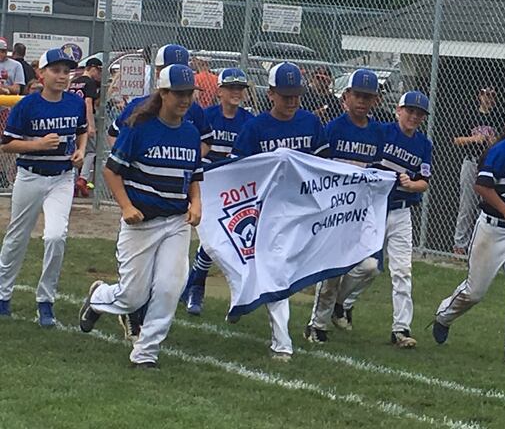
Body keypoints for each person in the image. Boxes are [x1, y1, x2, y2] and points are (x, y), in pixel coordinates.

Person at [78, 64, 203, 369]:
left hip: (175, 222)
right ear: (163, 93)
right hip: (141, 222)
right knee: (132, 297)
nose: (185, 100)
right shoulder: (139, 127)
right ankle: (98, 297)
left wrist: (196, 204)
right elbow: (111, 171)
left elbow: (195, 175)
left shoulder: (190, 132)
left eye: (189, 94)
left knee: (170, 288)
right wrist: (125, 207)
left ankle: (145, 353)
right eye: (179, 93)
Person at [223, 61, 326, 362]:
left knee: (280, 270)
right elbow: (237, 169)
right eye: (285, 95)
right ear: (270, 94)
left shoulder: (310, 123)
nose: (292, 101)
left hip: (302, 208)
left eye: (296, 94)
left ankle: (243, 300)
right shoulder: (255, 128)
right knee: (277, 272)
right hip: (267, 210)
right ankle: (282, 343)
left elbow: (324, 166)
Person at [433, 102, 505, 370]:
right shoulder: (500, 151)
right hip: (492, 229)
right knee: (475, 292)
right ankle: (444, 316)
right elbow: (482, 186)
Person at [330, 91, 433, 348]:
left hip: (402, 211)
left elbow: (425, 183)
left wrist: (412, 185)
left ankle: (400, 329)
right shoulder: (382, 133)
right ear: (398, 110)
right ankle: (342, 303)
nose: (414, 117)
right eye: (410, 111)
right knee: (367, 267)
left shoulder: (424, 144)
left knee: (402, 271)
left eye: (419, 114)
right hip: (374, 209)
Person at [0, 48, 87, 325]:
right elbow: (7, 145)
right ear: (42, 73)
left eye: (66, 71)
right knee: (17, 236)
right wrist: (37, 145)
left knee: (55, 236)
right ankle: (3, 295)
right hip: (30, 175)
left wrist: (82, 150)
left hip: (62, 177)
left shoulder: (74, 103)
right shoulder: (27, 105)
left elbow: (82, 130)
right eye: (56, 70)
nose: (62, 76)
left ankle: (45, 301)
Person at [304, 68, 385, 344]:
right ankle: (317, 325)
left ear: (375, 100)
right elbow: (321, 169)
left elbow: (376, 173)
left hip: (361, 210)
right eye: (357, 95)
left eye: (368, 97)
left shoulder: (376, 132)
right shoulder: (334, 128)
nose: (362, 101)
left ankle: (341, 303)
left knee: (370, 266)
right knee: (331, 271)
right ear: (346, 96)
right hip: (335, 208)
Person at [181, 67, 255, 315]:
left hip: (235, 189)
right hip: (207, 186)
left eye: (240, 88)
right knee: (211, 239)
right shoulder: (207, 116)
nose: (236, 93)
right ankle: (195, 286)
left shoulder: (249, 121)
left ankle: (194, 285)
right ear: (220, 91)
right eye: (231, 88)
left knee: (217, 239)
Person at [107, 44, 213, 158]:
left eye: (181, 69)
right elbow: (113, 133)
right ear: (158, 72)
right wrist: (124, 160)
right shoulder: (138, 106)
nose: (176, 73)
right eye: (169, 69)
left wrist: (190, 162)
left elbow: (206, 140)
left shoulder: (193, 109)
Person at [451, 86, 499, 256]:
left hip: (488, 165)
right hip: (471, 161)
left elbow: (501, 144)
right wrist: (474, 138)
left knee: (485, 206)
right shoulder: (469, 115)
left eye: (492, 96)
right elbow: (456, 140)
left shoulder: (497, 118)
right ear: (480, 96)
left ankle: (479, 246)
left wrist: (492, 141)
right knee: (467, 205)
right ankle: (460, 245)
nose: (489, 99)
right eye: (486, 95)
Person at [68, 57, 102, 197]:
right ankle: (83, 179)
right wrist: (91, 125)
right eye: (98, 70)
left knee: (75, 151)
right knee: (90, 151)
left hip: (72, 119)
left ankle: (74, 182)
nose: (99, 74)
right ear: (91, 68)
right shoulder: (90, 83)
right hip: (84, 119)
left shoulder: (74, 82)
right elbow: (88, 104)